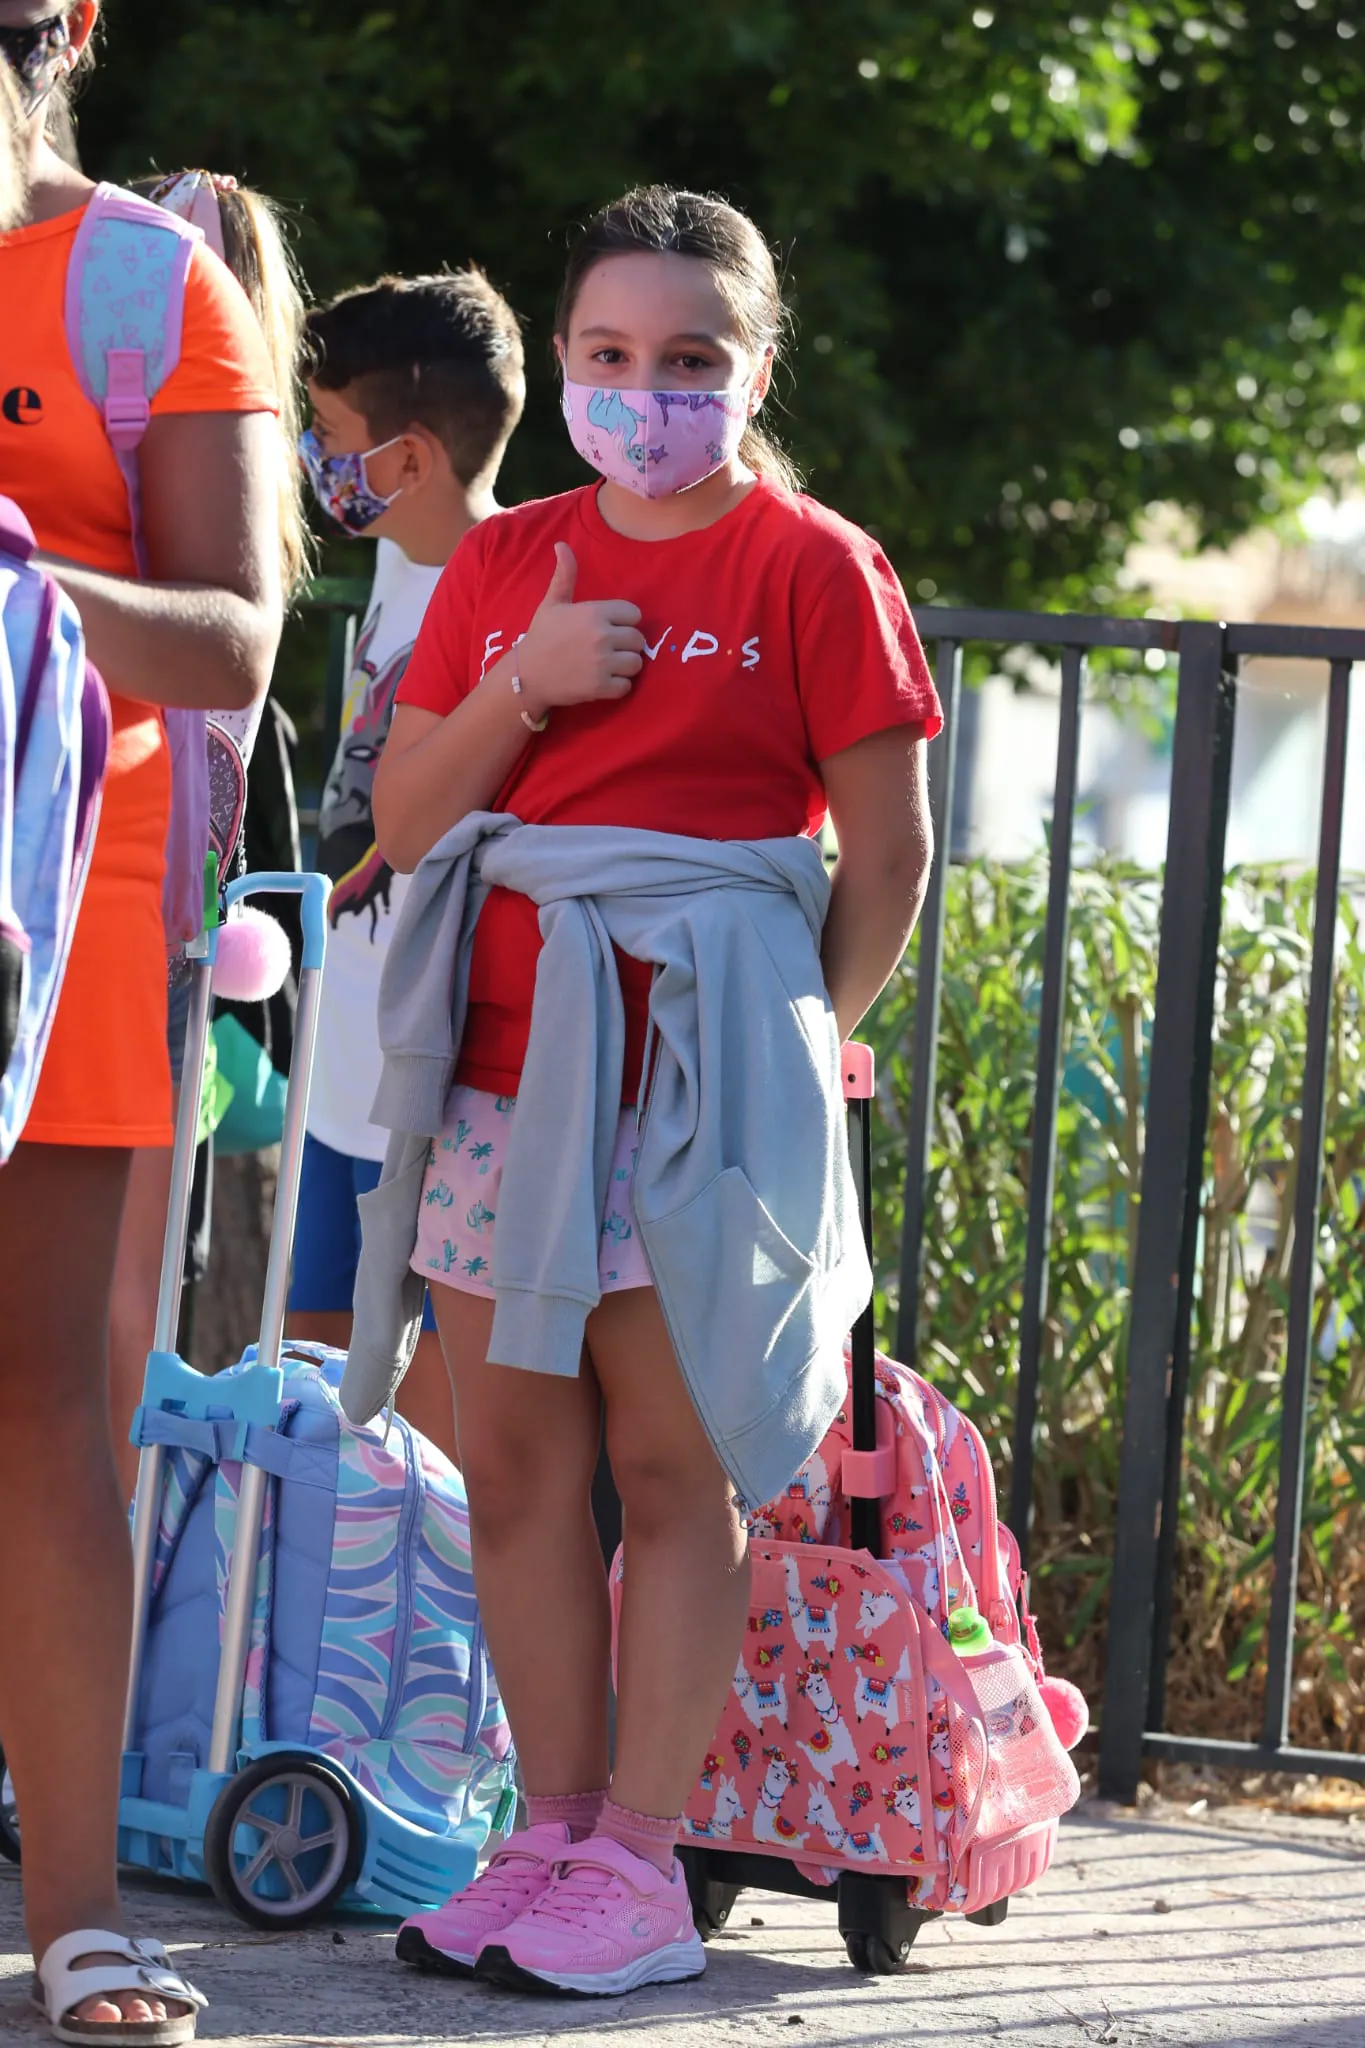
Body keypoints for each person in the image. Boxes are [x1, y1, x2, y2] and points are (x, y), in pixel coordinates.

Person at [369, 184, 939, 1998]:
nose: (648, 389)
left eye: (690, 359)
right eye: (611, 355)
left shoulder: (814, 563)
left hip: (695, 1097)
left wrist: (772, 1047)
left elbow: (891, 852)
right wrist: (525, 689)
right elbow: (401, 823)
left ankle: (638, 1856)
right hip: (496, 1080)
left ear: (755, 369)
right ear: (562, 363)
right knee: (521, 1467)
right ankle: (543, 1832)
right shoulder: (501, 563)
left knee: (671, 1471)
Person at [0, 5, 283, 2040]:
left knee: (38, 1413)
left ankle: (77, 1910)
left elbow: (235, 623)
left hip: (59, 913)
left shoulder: (137, 280)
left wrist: (13, 583)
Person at [285, 269, 526, 1466]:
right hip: (340, 1069)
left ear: (413, 457)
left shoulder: (515, 587)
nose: (315, 457)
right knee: (310, 1388)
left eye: (330, 435)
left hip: (428, 1088)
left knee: (420, 1449)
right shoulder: (394, 559)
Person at [106, 166, 310, 1502]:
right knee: (118, 1312)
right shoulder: (261, 490)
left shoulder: (186, 476)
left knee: (111, 1318)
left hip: (139, 901)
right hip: (164, 912)